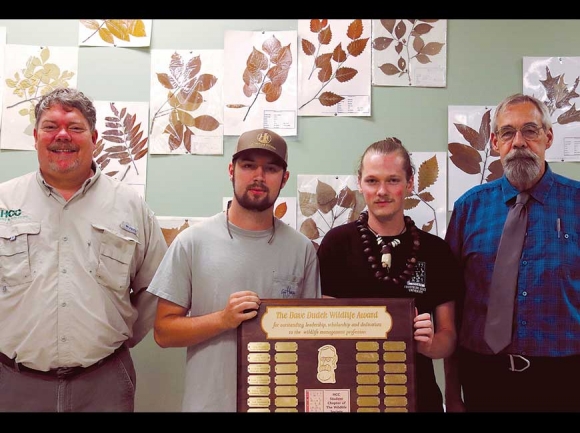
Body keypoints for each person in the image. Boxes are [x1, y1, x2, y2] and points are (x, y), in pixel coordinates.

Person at [0, 87, 168, 412]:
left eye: (75, 128)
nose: (62, 136)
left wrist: (115, 339)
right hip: (13, 383)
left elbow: (154, 289)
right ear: (35, 136)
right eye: (51, 127)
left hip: (103, 384)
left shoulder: (130, 206)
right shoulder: (4, 201)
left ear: (94, 137)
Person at [147, 128, 321, 412]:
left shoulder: (302, 250)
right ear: (232, 170)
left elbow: (312, 339)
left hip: (281, 404)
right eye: (248, 165)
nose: (259, 177)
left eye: (271, 168)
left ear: (284, 178)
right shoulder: (192, 242)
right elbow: (163, 332)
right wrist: (223, 320)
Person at [444, 93, 580, 412]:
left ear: (548, 137)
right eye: (507, 132)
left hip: (566, 380)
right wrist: (451, 392)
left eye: (530, 130)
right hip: (484, 378)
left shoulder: (577, 204)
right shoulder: (469, 208)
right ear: (494, 142)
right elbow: (451, 305)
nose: (518, 141)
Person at [317, 137, 461, 412]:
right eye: (372, 181)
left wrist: (429, 345)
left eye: (392, 180)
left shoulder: (436, 251)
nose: (382, 191)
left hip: (417, 397)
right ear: (360, 183)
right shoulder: (336, 244)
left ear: (409, 183)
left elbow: (448, 338)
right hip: (348, 396)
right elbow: (325, 328)